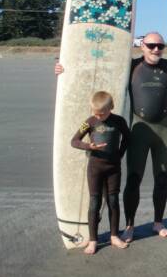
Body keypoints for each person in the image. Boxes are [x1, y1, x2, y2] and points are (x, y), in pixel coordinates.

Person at [56, 32, 167, 241]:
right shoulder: (131, 66)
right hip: (139, 127)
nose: (156, 49)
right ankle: (129, 225)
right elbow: (97, 66)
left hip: (163, 130)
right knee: (134, 178)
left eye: (160, 46)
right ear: (142, 46)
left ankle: (158, 222)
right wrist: (64, 69)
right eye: (151, 45)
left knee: (162, 178)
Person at [70, 91, 130, 254]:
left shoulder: (119, 121)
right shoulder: (89, 122)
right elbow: (74, 141)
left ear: (111, 107)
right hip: (95, 168)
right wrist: (89, 146)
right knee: (95, 203)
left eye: (101, 113)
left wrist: (120, 153)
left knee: (113, 201)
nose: (98, 116)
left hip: (113, 168)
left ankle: (114, 236)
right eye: (95, 112)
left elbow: (127, 138)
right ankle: (93, 240)